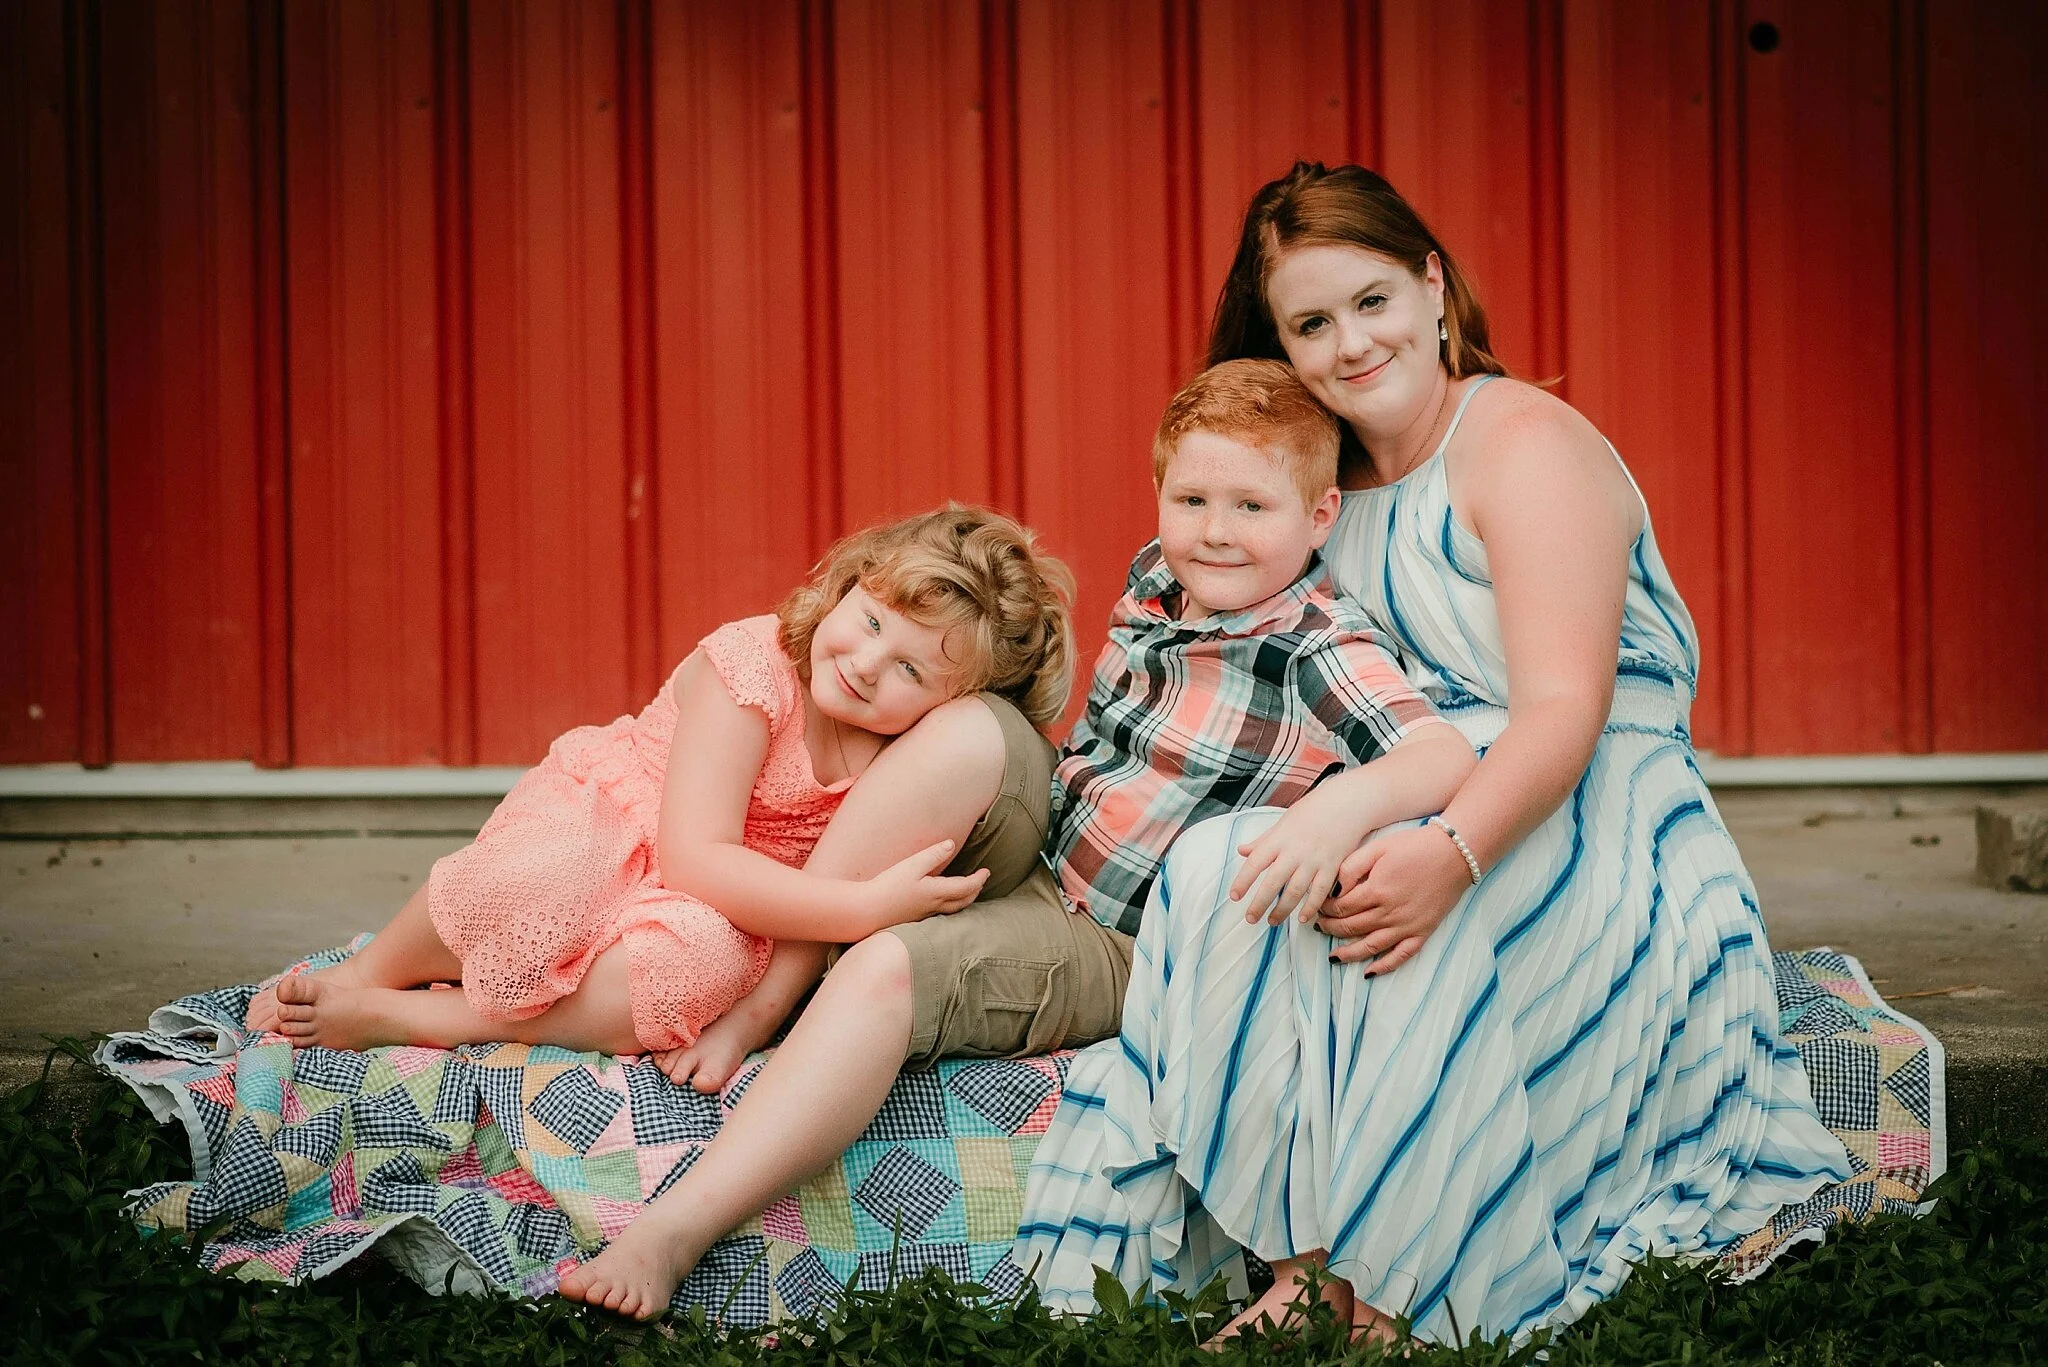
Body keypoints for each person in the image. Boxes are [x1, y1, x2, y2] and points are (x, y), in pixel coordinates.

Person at [1015, 162, 1853, 1346]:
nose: (1349, 343)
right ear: (1281, 345)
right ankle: (1304, 1260)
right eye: (1310, 322)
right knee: (1223, 872)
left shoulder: (1521, 443)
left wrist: (1451, 851)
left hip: (1580, 803)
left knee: (1391, 900)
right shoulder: (1319, 485)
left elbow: (1564, 711)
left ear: (1431, 282)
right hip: (1396, 781)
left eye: (1369, 301)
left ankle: (1412, 1284)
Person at [559, 355, 1475, 1320]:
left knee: (884, 967)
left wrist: (1333, 810)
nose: (1215, 531)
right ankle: (778, 983)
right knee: (969, 728)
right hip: (1047, 842)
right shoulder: (1163, 576)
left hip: (1115, 932)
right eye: (1193, 496)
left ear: (1321, 517)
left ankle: (672, 1229)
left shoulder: (1317, 647)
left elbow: (1440, 753)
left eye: (1253, 507)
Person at [243, 506, 1077, 1072]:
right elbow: (692, 852)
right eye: (870, 622)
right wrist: (861, 911)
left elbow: (716, 897)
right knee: (543, 878)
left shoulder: (894, 756)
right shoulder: (753, 665)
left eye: (909, 668)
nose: (865, 664)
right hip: (624, 823)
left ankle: (426, 1020)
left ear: (949, 702)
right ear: (848, 584)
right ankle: (372, 971)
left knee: (694, 972)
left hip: (719, 905)